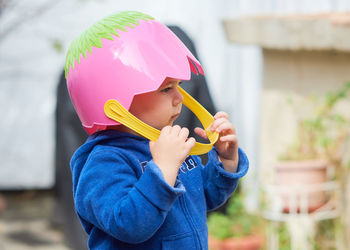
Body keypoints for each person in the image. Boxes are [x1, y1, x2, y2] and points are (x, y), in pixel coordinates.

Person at [65, 11, 249, 249]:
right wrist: (162, 171)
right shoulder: (103, 163)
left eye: (178, 86)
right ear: (117, 102)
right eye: (165, 89)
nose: (178, 98)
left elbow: (204, 198)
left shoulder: (166, 145)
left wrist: (225, 162)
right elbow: (129, 225)